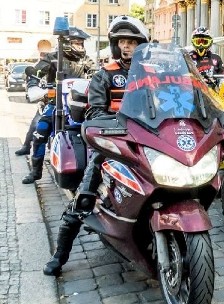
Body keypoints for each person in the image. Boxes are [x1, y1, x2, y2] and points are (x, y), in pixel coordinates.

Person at [43, 15, 149, 276]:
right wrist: (116, 123)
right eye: (123, 41)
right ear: (115, 45)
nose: (127, 47)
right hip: (115, 141)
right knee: (85, 196)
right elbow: (93, 113)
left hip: (149, 139)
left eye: (133, 42)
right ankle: (60, 255)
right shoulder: (105, 75)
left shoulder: (152, 75)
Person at [19, 27, 94, 180]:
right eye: (77, 43)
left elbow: (96, 74)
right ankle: (36, 171)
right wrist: (33, 83)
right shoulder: (52, 57)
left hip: (78, 103)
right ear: (67, 43)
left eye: (81, 44)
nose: (80, 47)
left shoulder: (86, 60)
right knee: (41, 129)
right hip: (55, 101)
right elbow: (36, 71)